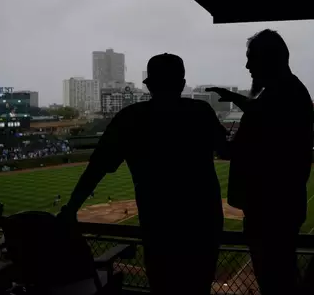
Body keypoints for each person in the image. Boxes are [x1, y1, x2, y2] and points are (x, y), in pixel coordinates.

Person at [60, 53, 228, 295]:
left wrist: (71, 209)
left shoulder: (130, 117)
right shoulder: (200, 111)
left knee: (162, 286)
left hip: (158, 225)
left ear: (149, 85)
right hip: (203, 224)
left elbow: (95, 168)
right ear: (181, 84)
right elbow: (226, 149)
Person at [206, 29, 314, 294]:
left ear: (270, 59)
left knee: (275, 280)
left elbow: (234, 148)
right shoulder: (288, 90)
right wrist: (234, 98)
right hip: (280, 208)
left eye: (251, 58)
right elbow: (261, 110)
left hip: (269, 212)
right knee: (281, 277)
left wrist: (212, 131)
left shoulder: (281, 95)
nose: (247, 65)